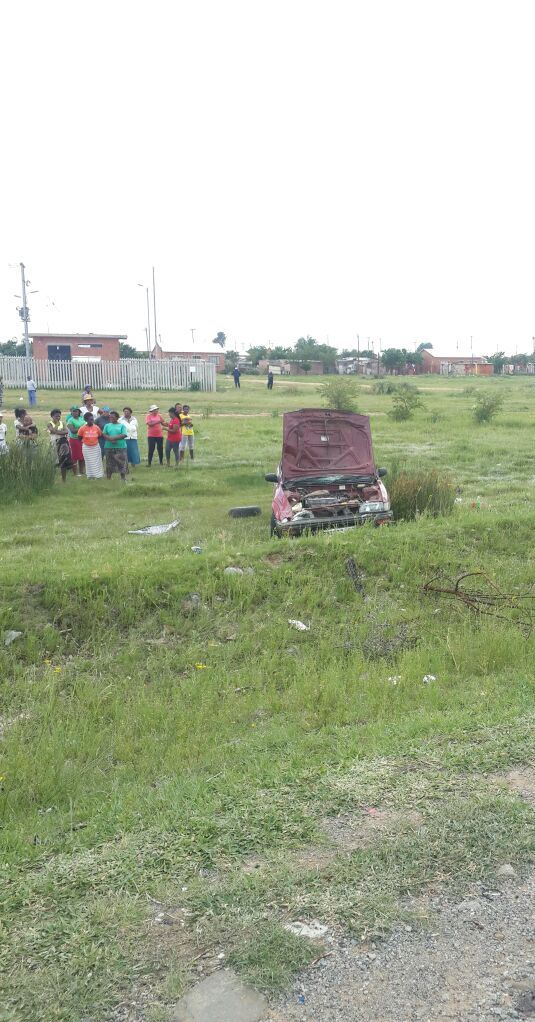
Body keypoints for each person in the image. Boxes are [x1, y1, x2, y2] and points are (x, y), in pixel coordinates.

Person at [47, 409, 74, 483]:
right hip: (54, 443)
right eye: (56, 416)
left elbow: (66, 431)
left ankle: (63, 479)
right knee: (54, 460)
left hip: (62, 443)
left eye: (59, 416)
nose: (58, 418)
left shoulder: (62, 423)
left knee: (63, 461)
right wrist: (60, 431)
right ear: (52, 416)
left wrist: (57, 431)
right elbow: (52, 430)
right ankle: (51, 478)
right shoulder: (49, 423)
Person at [102, 411, 128, 483]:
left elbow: (124, 434)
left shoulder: (122, 426)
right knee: (109, 463)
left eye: (113, 417)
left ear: (117, 417)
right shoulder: (107, 425)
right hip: (109, 447)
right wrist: (110, 439)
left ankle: (123, 478)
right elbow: (104, 434)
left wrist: (114, 438)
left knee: (121, 462)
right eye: (110, 417)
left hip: (121, 447)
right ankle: (108, 478)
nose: (111, 418)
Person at [77, 412, 104, 479]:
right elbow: (79, 438)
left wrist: (94, 442)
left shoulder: (96, 427)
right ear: (86, 420)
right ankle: (90, 476)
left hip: (96, 447)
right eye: (90, 419)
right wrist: (87, 442)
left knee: (97, 461)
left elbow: (100, 436)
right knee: (89, 462)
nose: (92, 421)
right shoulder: (82, 428)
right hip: (86, 448)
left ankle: (98, 475)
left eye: (92, 419)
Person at [65, 407, 86, 475]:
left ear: (79, 412)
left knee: (82, 456)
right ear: (71, 413)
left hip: (82, 439)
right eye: (73, 411)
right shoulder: (70, 420)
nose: (75, 413)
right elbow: (73, 431)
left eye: (76, 411)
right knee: (74, 456)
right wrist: (82, 427)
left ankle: (81, 471)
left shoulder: (81, 418)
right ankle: (75, 472)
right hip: (74, 440)